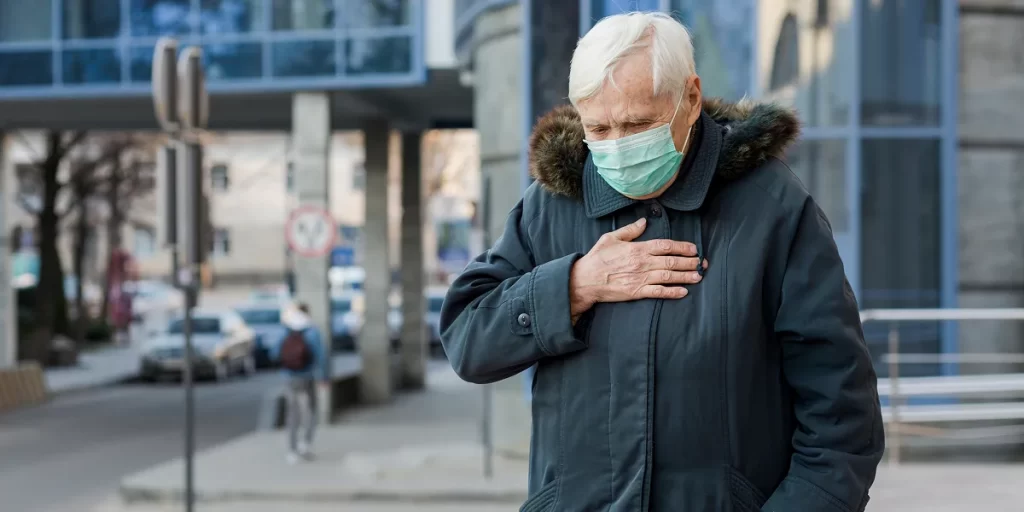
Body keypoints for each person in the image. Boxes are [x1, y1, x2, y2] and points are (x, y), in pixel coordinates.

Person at [440, 11, 884, 512]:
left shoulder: (771, 208)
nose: (618, 147)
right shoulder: (552, 204)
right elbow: (468, 340)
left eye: (638, 124)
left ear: (690, 98)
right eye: (599, 128)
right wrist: (573, 286)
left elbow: (842, 419)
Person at [272, 302, 326, 465]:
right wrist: (324, 377)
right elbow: (321, 356)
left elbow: (275, 353)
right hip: (308, 376)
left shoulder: (286, 330)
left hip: (289, 377)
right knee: (312, 409)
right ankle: (305, 443)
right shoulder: (312, 330)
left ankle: (292, 450)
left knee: (293, 413)